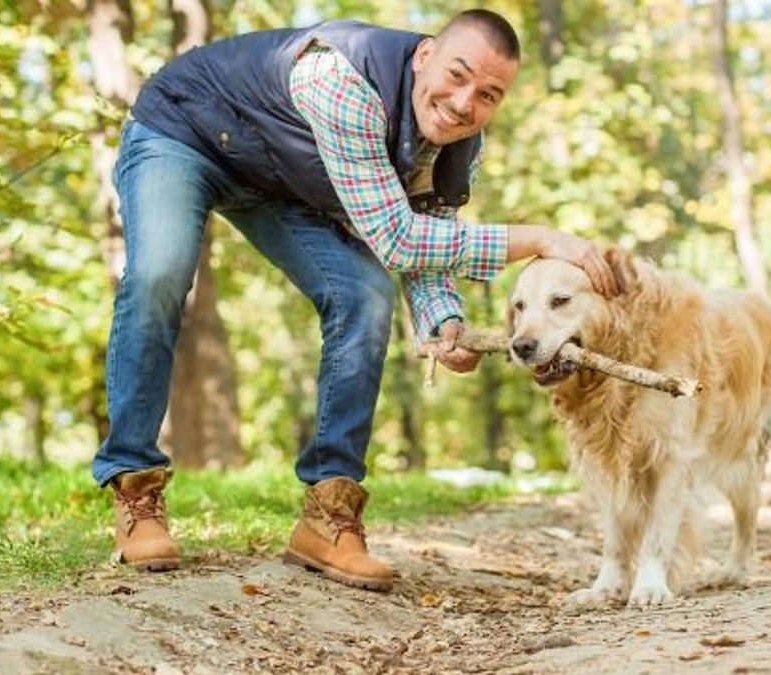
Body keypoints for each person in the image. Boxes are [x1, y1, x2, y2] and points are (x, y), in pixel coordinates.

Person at [92, 8, 620, 591]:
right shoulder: (340, 77)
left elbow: (426, 229)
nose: (465, 103)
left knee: (364, 295)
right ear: (425, 56)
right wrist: (538, 239)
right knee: (160, 272)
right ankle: (135, 489)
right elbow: (396, 239)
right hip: (185, 131)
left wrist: (443, 320)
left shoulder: (457, 141)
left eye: (489, 95)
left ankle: (329, 514)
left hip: (278, 177)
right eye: (457, 74)